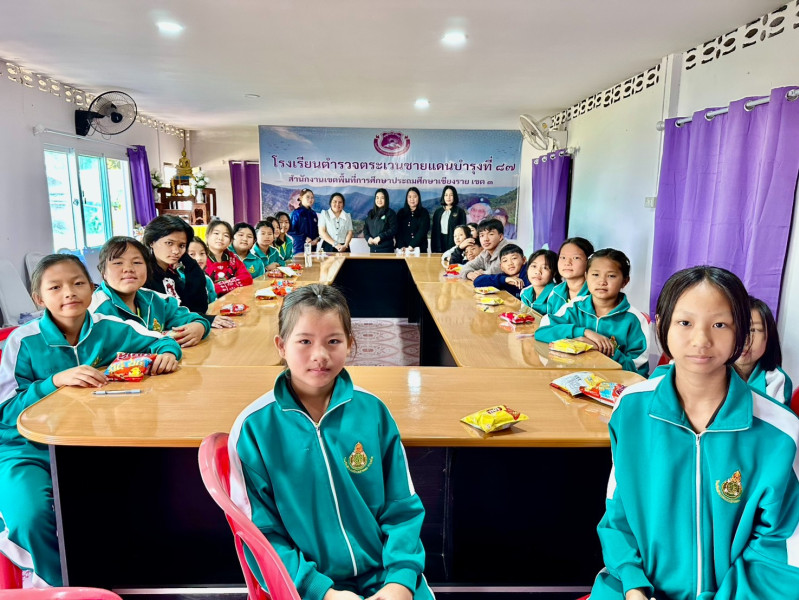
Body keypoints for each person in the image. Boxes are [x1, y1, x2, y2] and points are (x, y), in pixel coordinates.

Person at [591, 265, 799, 599]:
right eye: (685, 323)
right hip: (634, 586)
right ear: (662, 326)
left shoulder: (779, 431)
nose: (701, 340)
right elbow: (619, 511)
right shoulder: (631, 408)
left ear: (741, 332)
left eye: (720, 324)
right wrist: (632, 585)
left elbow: (782, 545)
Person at [227, 284, 433, 600]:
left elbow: (402, 506)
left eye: (333, 341)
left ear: (350, 343)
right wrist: (323, 592)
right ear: (281, 346)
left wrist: (401, 579)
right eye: (304, 341)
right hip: (306, 585)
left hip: (385, 574)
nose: (320, 356)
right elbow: (260, 534)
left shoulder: (373, 412)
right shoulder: (254, 429)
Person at [0, 254, 181, 588]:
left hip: (91, 441)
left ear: (92, 288)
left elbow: (163, 340)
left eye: (78, 283)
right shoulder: (22, 341)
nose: (69, 292)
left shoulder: (109, 328)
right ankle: (57, 583)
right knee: (30, 516)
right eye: (55, 287)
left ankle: (113, 578)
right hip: (25, 447)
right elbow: (5, 411)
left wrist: (168, 354)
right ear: (39, 299)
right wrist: (53, 382)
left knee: (131, 501)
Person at [535, 249, 649, 375]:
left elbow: (637, 371)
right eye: (595, 274)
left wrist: (604, 350)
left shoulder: (635, 319)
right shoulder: (575, 307)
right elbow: (542, 332)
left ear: (625, 281)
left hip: (614, 382)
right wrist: (583, 332)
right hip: (574, 377)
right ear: (586, 276)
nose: (602, 282)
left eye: (611, 276)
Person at [90, 237, 210, 347]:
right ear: (103, 272)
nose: (128, 269)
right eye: (118, 263)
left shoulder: (156, 300)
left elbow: (189, 318)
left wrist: (200, 326)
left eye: (137, 262)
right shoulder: (93, 310)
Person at [142, 215, 235, 329]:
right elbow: (162, 319)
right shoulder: (144, 276)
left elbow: (197, 308)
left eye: (181, 245)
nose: (176, 251)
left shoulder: (171, 275)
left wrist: (188, 261)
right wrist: (205, 320)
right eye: (169, 243)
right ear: (151, 242)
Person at [734, 296, 793, 405]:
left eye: (753, 330)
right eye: (736, 328)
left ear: (769, 336)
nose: (744, 340)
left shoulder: (776, 380)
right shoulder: (710, 372)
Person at [546, 237, 594, 315]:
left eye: (576, 258)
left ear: (589, 262)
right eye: (563, 257)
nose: (567, 263)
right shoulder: (555, 292)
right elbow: (549, 321)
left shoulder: (596, 294)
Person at [205, 219, 254, 295]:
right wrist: (230, 285)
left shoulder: (232, 258)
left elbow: (247, 278)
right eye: (216, 233)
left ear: (230, 241)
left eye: (226, 235)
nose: (220, 238)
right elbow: (201, 289)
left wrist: (218, 287)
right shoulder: (200, 258)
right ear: (207, 236)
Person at [520, 249, 559, 314]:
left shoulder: (557, 296)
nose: (538, 272)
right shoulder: (525, 293)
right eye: (534, 266)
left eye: (545, 268)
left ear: (554, 273)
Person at [430, 186, 467, 253]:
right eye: (446, 195)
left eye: (451, 195)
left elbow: (463, 231)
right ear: (443, 196)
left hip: (453, 243)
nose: (448, 197)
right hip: (440, 243)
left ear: (454, 196)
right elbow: (434, 232)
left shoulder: (460, 212)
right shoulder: (438, 212)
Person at [395, 187, 430, 252]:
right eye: (409, 197)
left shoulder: (424, 213)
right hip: (403, 250)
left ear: (418, 198)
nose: (412, 199)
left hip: (420, 249)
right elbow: (398, 232)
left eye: (415, 197)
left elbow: (422, 231)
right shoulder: (401, 213)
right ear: (406, 198)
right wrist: (401, 246)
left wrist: (412, 245)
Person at [363, 188, 397, 253]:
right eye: (377, 198)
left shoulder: (390, 213)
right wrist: (368, 238)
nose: (379, 200)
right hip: (373, 249)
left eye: (382, 198)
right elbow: (365, 228)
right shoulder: (371, 213)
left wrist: (380, 237)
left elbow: (393, 229)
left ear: (386, 199)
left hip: (386, 250)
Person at [187, 236, 218, 303]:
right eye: (192, 254)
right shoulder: (179, 281)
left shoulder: (207, 280)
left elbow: (213, 303)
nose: (199, 258)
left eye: (202, 253)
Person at [289, 189, 320, 255]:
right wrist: (304, 238)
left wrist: (317, 239)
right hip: (299, 249)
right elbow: (291, 230)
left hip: (312, 248)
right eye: (307, 197)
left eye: (312, 197)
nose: (310, 199)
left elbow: (317, 231)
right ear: (301, 198)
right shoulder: (296, 213)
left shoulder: (313, 214)